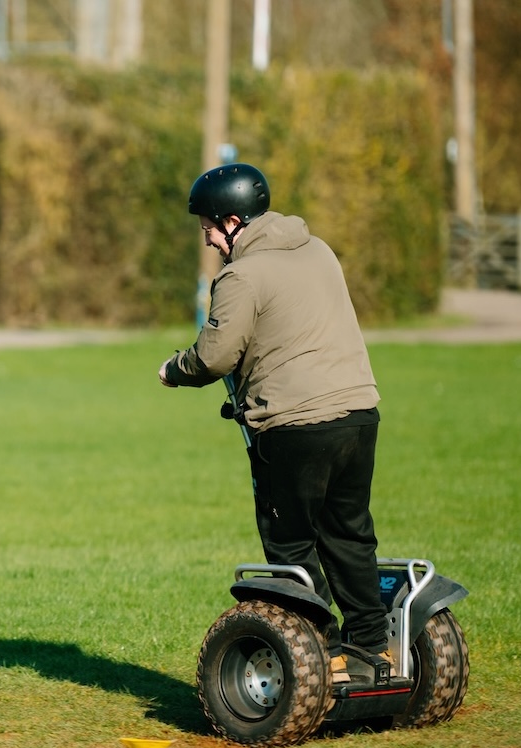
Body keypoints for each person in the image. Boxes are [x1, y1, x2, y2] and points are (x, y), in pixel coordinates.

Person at [158, 163, 391, 687]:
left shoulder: (242, 275)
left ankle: (321, 658)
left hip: (295, 426)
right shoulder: (319, 249)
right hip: (359, 413)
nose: (210, 240)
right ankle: (374, 651)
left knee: (289, 544)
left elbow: (215, 357)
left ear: (234, 221)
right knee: (349, 535)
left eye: (210, 229)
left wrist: (174, 369)